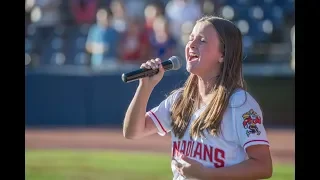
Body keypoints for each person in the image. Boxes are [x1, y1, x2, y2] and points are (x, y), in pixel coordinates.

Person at [123, 15, 273, 180]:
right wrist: (145, 87)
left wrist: (206, 174)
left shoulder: (240, 103)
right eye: (191, 38)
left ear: (222, 54)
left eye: (202, 41)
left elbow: (263, 166)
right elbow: (132, 132)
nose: (191, 45)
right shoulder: (179, 99)